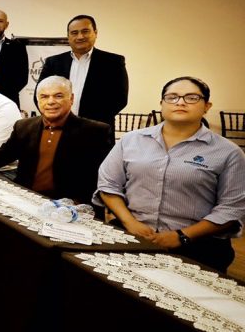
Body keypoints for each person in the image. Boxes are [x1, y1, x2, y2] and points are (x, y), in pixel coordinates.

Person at [95, 77, 245, 273]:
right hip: (131, 234)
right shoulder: (131, 140)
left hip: (197, 245)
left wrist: (182, 236)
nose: (180, 102)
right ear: (161, 104)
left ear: (206, 106)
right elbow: (108, 185)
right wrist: (130, 223)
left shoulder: (228, 152)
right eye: (172, 97)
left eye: (191, 97)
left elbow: (232, 208)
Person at [0, 76, 113, 204]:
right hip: (26, 199)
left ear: (71, 99)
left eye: (58, 96)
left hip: (69, 208)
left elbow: (102, 177)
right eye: (44, 97)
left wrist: (78, 203)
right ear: (38, 101)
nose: (50, 102)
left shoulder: (96, 131)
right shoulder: (24, 126)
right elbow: (6, 153)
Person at [39, 15, 128, 136]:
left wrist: (87, 124)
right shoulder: (53, 62)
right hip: (57, 130)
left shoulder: (113, 62)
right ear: (68, 36)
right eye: (74, 33)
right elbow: (39, 94)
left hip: (96, 131)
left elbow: (119, 99)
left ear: (95, 33)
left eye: (85, 31)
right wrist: (56, 118)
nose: (80, 36)